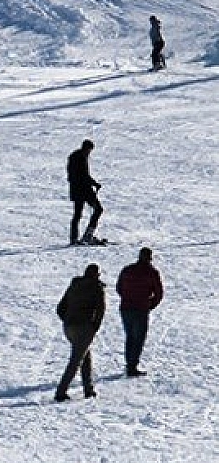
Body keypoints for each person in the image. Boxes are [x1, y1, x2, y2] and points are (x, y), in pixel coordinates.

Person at [54, 263, 105, 401]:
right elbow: (100, 311)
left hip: (69, 327)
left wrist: (68, 320)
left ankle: (88, 389)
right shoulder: (97, 288)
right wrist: (94, 327)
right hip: (84, 328)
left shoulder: (74, 285)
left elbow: (60, 308)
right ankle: (61, 392)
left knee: (85, 356)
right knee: (76, 361)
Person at [116, 248, 163, 377]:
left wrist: (126, 297)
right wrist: (150, 304)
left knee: (130, 336)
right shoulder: (152, 272)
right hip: (141, 309)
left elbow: (119, 288)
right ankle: (132, 366)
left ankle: (129, 363)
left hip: (126, 308)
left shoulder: (127, 270)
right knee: (139, 338)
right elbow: (158, 293)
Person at [67, 138, 103, 245]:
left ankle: (76, 238)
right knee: (97, 209)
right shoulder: (79, 157)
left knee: (78, 214)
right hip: (84, 191)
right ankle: (87, 235)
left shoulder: (76, 156)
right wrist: (94, 183)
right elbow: (83, 175)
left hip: (78, 190)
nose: (89, 153)